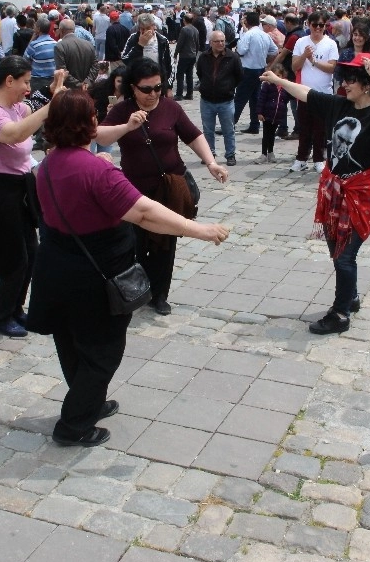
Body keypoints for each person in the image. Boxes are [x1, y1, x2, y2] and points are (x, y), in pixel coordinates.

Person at [25, 89, 229, 448]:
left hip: (56, 266)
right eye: (95, 115)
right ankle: (73, 425)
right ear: (86, 124)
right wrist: (200, 229)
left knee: (72, 343)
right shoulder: (96, 170)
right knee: (103, 351)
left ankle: (89, 399)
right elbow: (145, 213)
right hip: (92, 275)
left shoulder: (49, 164)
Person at [260, 53, 370, 335]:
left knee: (345, 256)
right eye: (344, 78)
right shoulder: (339, 105)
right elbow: (307, 93)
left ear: (366, 84)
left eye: (351, 80)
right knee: (338, 251)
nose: (344, 84)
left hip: (363, 192)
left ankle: (340, 313)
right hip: (334, 190)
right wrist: (280, 80)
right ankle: (352, 296)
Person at [99, 59, 229, 315]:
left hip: (168, 186)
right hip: (134, 189)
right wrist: (127, 126)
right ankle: (135, 290)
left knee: (165, 243)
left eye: (158, 87)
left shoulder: (171, 107)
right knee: (134, 242)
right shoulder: (123, 110)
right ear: (133, 88)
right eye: (146, 89)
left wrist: (211, 163)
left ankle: (159, 295)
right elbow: (100, 136)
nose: (153, 94)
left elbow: (193, 135)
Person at [0, 59, 60, 338]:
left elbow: (31, 107)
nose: (28, 88)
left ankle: (15, 308)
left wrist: (53, 89)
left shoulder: (15, 108)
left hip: (18, 189)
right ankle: (1, 316)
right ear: (9, 81)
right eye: (25, 81)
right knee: (14, 258)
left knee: (31, 252)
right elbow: (14, 134)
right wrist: (51, 106)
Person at [292, 12, 339, 172]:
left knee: (321, 129)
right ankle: (301, 158)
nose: (318, 28)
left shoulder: (330, 44)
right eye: (315, 25)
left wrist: (314, 61)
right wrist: (305, 55)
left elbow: (332, 67)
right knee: (304, 128)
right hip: (304, 91)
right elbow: (294, 67)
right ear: (309, 25)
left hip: (323, 92)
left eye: (322, 25)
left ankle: (319, 159)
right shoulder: (301, 42)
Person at [196, 30, 243, 164]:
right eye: (217, 41)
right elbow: (200, 73)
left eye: (223, 41)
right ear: (211, 43)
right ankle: (209, 154)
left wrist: (228, 87)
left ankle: (230, 155)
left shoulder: (233, 57)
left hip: (226, 100)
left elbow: (239, 76)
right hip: (207, 100)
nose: (221, 43)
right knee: (208, 130)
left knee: (228, 130)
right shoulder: (204, 57)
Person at [233, 11, 278, 135]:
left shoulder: (249, 34)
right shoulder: (265, 35)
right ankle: (254, 124)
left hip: (248, 69)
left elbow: (241, 51)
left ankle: (231, 123)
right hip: (260, 69)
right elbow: (274, 50)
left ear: (247, 22)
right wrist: (266, 61)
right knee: (255, 98)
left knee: (240, 98)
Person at [121, 13, 173, 89]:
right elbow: (125, 60)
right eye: (142, 29)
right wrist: (139, 46)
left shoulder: (162, 40)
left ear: (153, 26)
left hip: (157, 82)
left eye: (148, 28)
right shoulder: (133, 38)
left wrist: (168, 87)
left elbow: (170, 64)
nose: (145, 31)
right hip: (138, 81)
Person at [255, 65, 293, 163]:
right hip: (267, 114)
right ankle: (263, 154)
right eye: (275, 75)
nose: (277, 77)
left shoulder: (284, 86)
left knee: (272, 135)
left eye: (279, 75)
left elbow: (288, 97)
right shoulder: (267, 85)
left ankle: (270, 153)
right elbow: (261, 99)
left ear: (282, 76)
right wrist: (259, 112)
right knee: (266, 134)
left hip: (277, 114)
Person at [53, 19, 98, 89]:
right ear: (73, 30)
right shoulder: (89, 44)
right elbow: (95, 66)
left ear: (61, 30)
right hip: (87, 89)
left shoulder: (59, 46)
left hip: (69, 90)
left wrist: (79, 85)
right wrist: (87, 82)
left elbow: (62, 71)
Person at [24, 17, 58, 95]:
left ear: (38, 29)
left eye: (35, 26)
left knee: (37, 103)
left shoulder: (34, 45)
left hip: (38, 80)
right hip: (52, 79)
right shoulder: (55, 43)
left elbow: (25, 59)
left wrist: (31, 40)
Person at [173, 14, 199, 101]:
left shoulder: (184, 30)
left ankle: (179, 94)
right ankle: (189, 93)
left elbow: (180, 43)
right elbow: (197, 43)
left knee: (180, 75)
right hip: (192, 55)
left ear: (184, 20)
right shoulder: (195, 30)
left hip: (185, 55)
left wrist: (176, 53)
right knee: (189, 75)